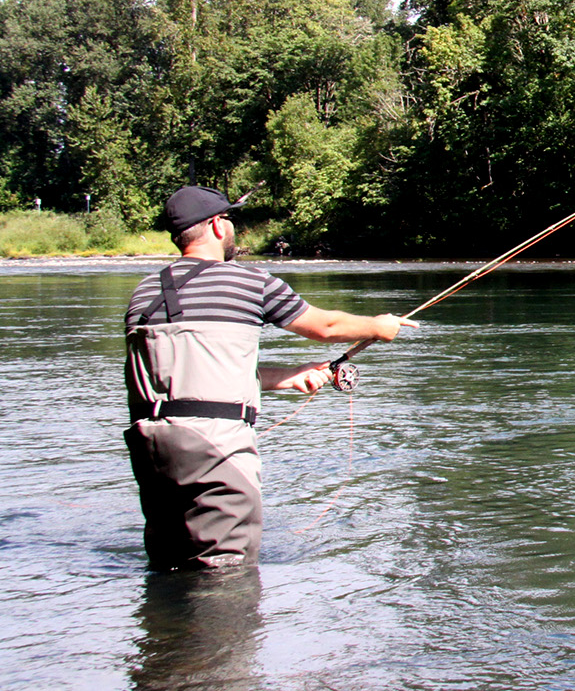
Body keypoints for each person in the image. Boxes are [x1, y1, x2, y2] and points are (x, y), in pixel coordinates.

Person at [123, 185, 416, 570]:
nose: (231, 227)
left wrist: (288, 376)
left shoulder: (143, 294)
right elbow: (324, 327)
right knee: (224, 576)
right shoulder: (248, 282)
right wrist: (379, 326)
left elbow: (189, 377)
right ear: (214, 225)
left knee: (169, 565)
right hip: (215, 451)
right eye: (228, 219)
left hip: (153, 451)